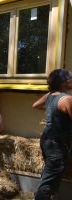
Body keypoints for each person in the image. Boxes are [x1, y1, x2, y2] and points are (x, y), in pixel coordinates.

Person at [33, 69, 72, 200]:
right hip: (57, 144)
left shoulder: (50, 95)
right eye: (70, 78)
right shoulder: (67, 99)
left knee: (49, 176)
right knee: (48, 183)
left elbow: (36, 105)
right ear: (63, 82)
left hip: (46, 141)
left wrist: (52, 111)